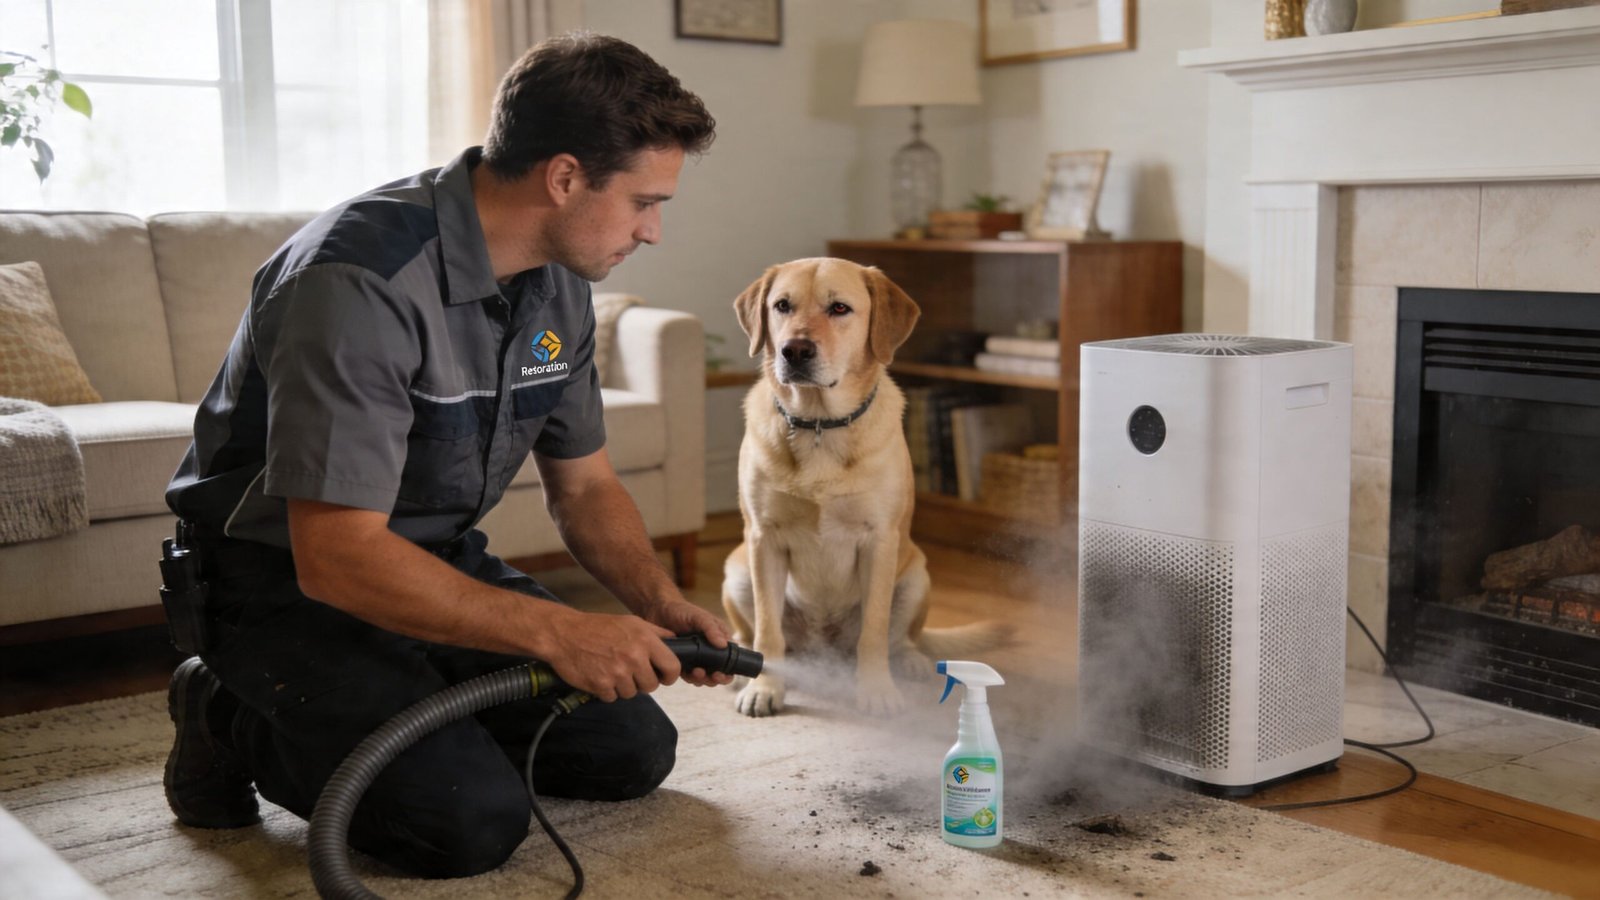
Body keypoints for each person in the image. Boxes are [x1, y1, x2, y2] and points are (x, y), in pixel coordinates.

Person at [160, 32, 725, 878]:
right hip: (280, 585)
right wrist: (560, 631)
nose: (653, 231)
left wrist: (658, 601)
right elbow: (336, 557)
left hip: (431, 562)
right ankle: (221, 711)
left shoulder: (558, 281)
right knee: (461, 824)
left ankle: (420, 709)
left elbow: (585, 486)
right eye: (645, 202)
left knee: (629, 750)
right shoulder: (359, 282)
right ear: (563, 178)